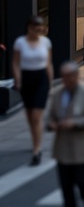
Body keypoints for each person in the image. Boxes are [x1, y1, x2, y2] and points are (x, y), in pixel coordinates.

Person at [45, 61, 84, 207]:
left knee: (82, 182)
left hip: (81, 147)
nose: (65, 79)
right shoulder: (57, 94)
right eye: (63, 76)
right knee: (66, 186)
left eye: (68, 76)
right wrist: (51, 124)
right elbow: (49, 117)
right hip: (62, 147)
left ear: (76, 76)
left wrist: (75, 123)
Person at [12, 15, 53, 166]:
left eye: (40, 29)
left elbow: (48, 63)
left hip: (41, 78)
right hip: (26, 78)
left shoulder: (46, 42)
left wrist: (50, 82)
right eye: (36, 29)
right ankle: (35, 139)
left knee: (36, 115)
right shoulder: (20, 43)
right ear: (29, 28)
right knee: (30, 114)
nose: (38, 31)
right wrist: (18, 79)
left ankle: (37, 149)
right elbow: (15, 63)